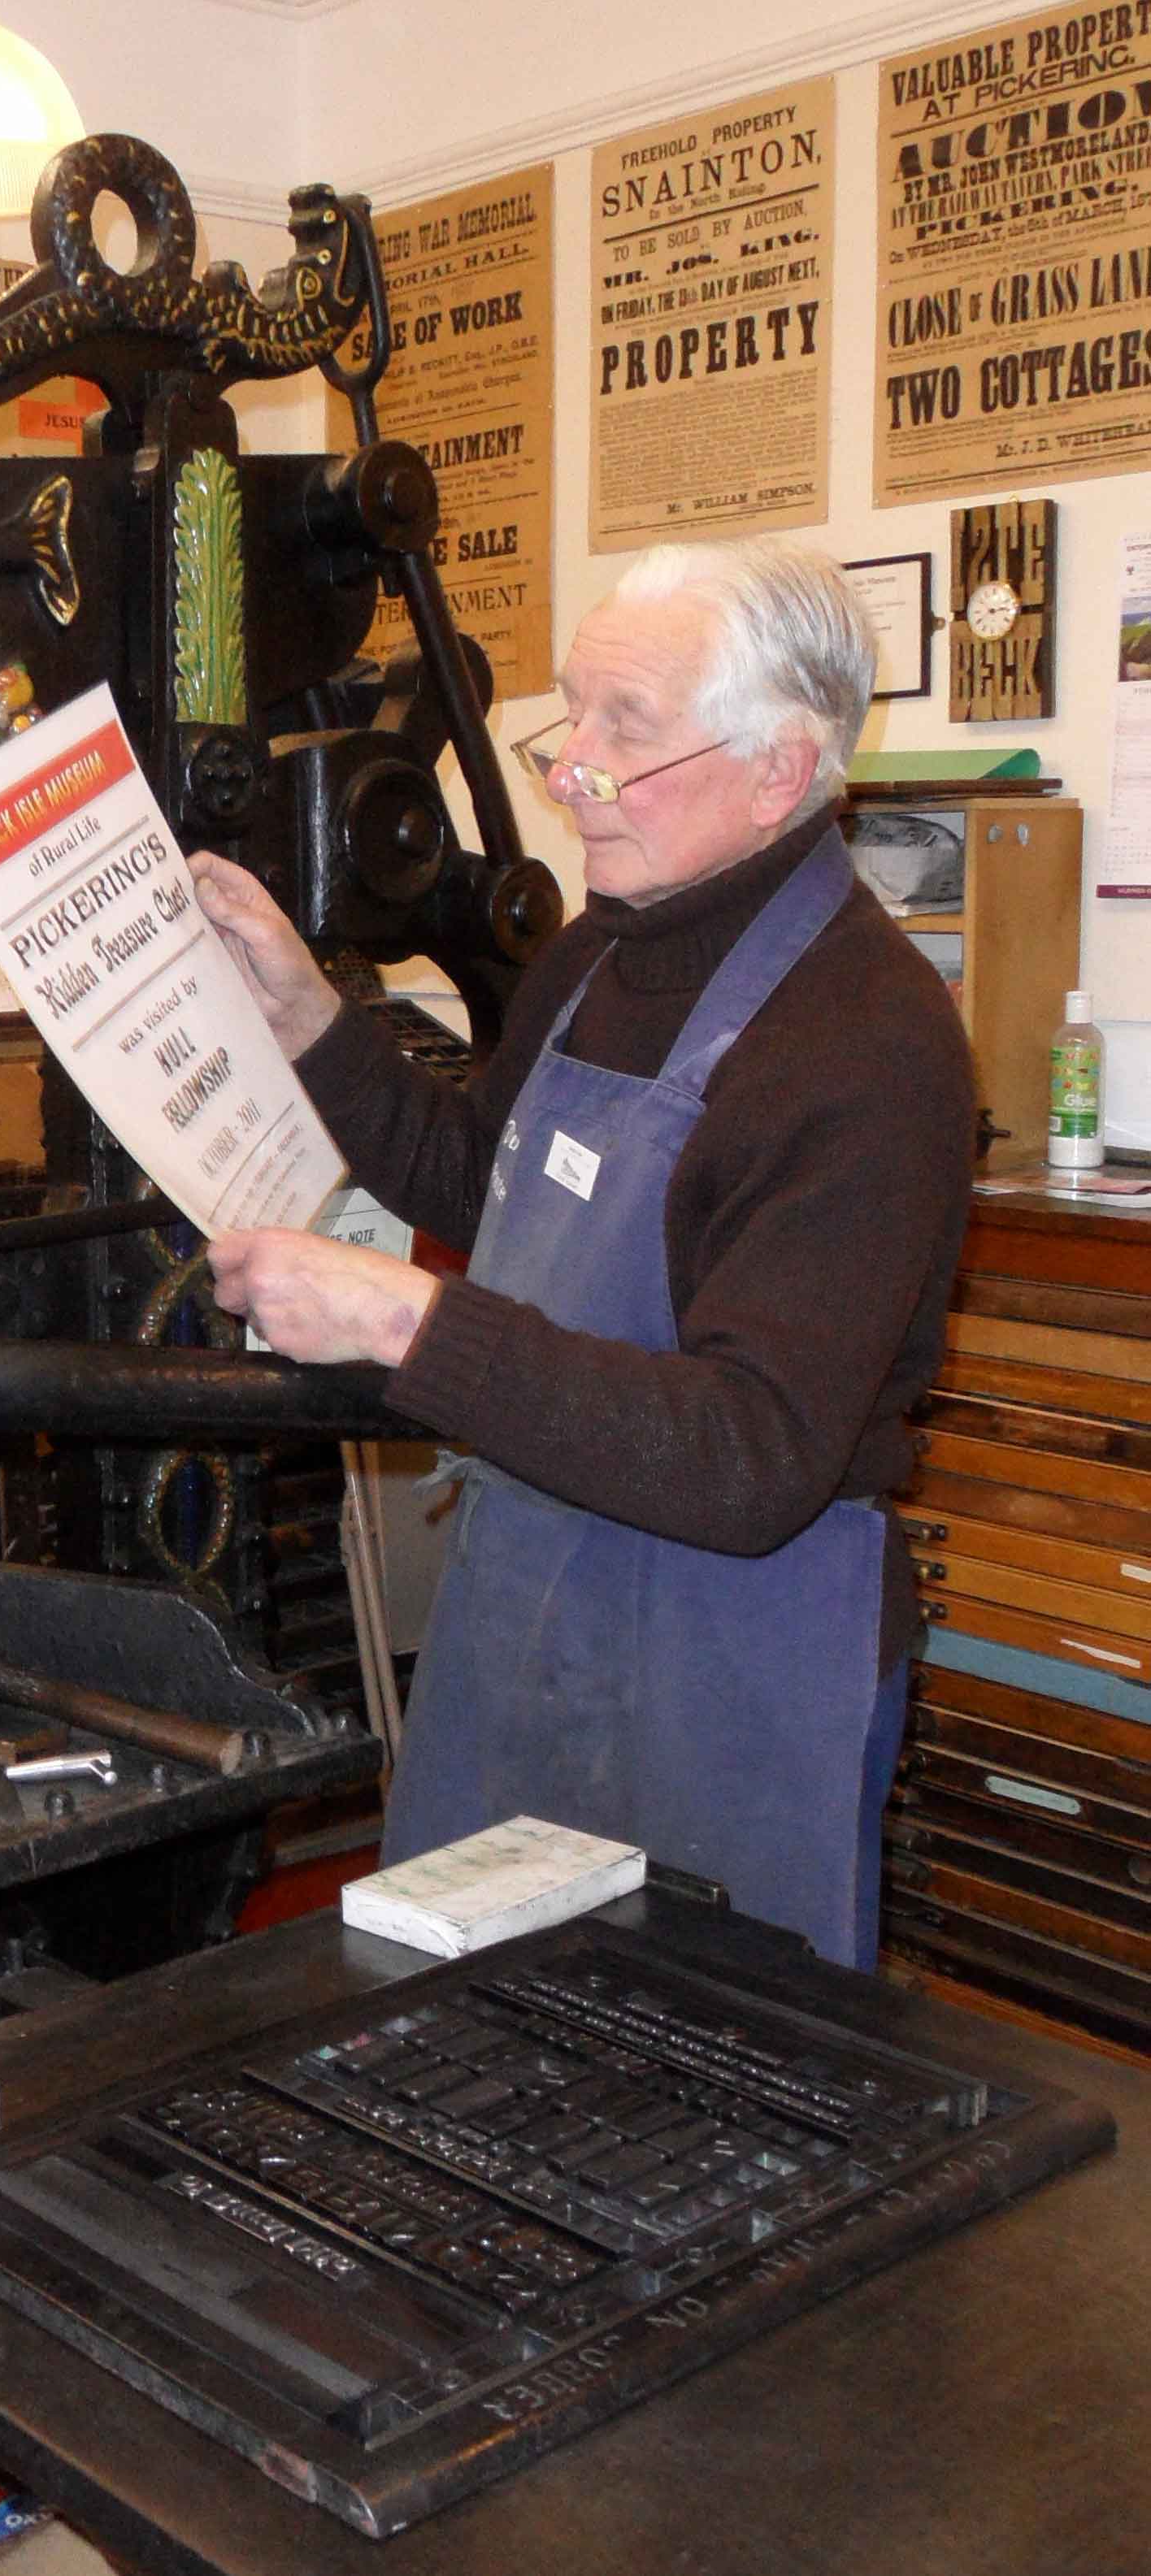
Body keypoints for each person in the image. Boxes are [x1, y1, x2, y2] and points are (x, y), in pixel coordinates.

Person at [193, 540, 975, 1970]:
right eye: (572, 718)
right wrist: (309, 1016)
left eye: (629, 730)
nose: (567, 775)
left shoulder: (867, 1043)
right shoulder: (596, 956)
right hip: (531, 1585)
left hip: (733, 1646)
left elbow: (750, 1459)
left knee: (709, 2096)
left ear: (777, 770)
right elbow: (471, 1178)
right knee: (465, 2027)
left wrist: (407, 1327)